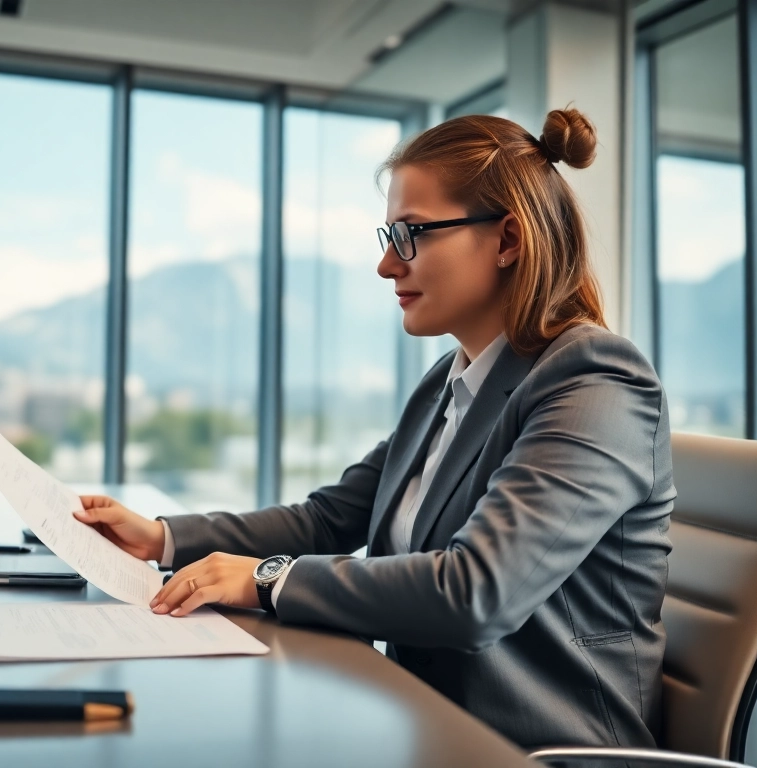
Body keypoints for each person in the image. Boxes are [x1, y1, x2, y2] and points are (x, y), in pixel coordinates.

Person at [74, 108, 674, 751]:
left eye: (411, 234)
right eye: (387, 236)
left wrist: (267, 579)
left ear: (508, 239)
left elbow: (477, 592)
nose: (388, 265)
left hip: (532, 751)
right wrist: (162, 539)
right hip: (423, 725)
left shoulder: (595, 380)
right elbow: (325, 520)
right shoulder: (452, 381)